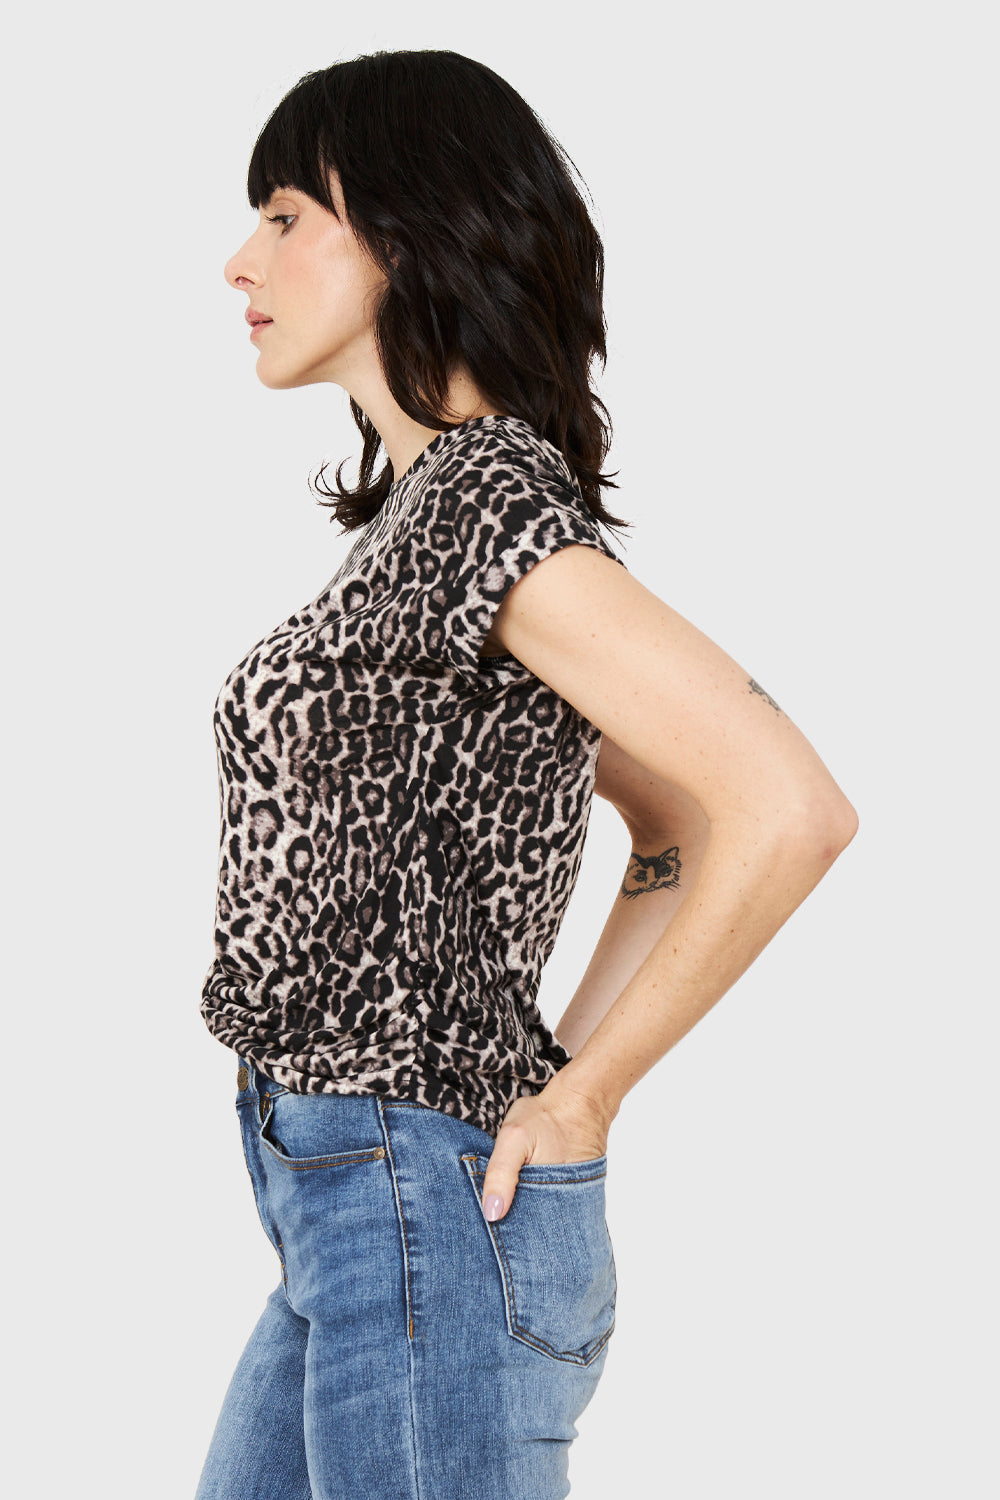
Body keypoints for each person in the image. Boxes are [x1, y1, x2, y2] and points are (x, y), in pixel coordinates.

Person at [194, 48, 858, 1500]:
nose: (241, 259)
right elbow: (670, 819)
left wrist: (579, 1095)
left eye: (287, 216)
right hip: (346, 1206)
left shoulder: (491, 503)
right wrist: (543, 1065)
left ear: (409, 231)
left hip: (413, 1204)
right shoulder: (428, 518)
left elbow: (785, 807)